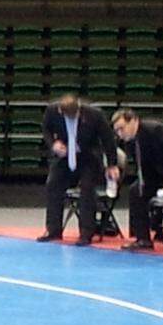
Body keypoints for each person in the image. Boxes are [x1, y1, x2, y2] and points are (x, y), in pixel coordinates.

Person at [38, 94, 118, 246]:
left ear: (79, 111)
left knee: (87, 188)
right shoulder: (52, 111)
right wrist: (54, 144)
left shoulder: (95, 115)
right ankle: (53, 230)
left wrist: (112, 164)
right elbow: (46, 130)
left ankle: (86, 233)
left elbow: (108, 139)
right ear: (60, 111)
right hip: (64, 156)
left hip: (88, 157)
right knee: (53, 184)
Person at [110, 109, 163, 250]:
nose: (120, 134)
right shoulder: (130, 141)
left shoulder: (158, 130)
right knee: (136, 191)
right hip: (157, 176)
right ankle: (143, 239)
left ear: (133, 120)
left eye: (121, 128)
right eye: (117, 131)